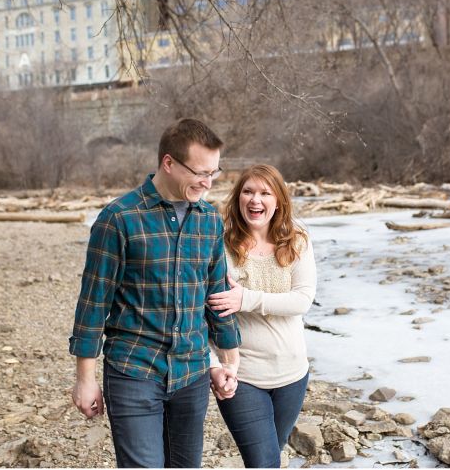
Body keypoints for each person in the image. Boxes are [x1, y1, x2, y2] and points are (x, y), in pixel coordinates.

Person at [69, 118, 241, 468]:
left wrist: (229, 362)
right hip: (134, 370)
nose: (208, 182)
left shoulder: (209, 220)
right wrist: (85, 380)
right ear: (168, 163)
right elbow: (92, 304)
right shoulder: (119, 219)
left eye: (214, 172)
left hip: (192, 373)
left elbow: (216, 294)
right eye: (199, 172)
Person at [207, 164, 317, 468]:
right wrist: (213, 366)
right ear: (238, 198)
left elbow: (302, 300)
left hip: (293, 374)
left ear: (278, 200)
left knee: (270, 457)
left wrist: (246, 298)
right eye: (248, 191)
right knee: (264, 463)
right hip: (242, 376)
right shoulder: (220, 247)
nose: (255, 200)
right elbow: (199, 315)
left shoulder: (298, 241)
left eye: (265, 192)